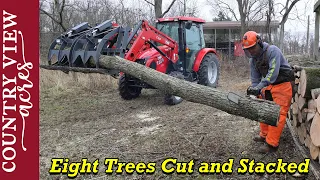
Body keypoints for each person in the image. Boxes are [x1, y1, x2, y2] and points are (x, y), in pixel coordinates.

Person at [242, 31, 294, 153]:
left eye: (252, 48)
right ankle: (264, 134)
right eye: (248, 49)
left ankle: (272, 144)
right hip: (269, 85)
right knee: (262, 108)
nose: (251, 51)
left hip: (283, 83)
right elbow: (255, 78)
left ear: (259, 42)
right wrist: (255, 90)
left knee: (279, 114)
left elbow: (272, 73)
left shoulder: (272, 51)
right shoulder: (254, 60)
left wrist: (260, 86)